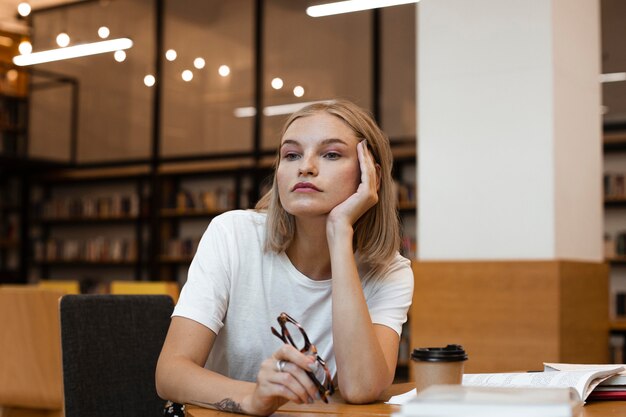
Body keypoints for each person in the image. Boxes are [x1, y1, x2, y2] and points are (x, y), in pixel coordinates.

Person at [156, 99, 414, 416]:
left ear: (369, 176)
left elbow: (360, 388)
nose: (305, 166)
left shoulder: (391, 272)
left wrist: (339, 232)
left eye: (331, 154)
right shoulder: (232, 235)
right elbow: (170, 373)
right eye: (291, 155)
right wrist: (254, 397)